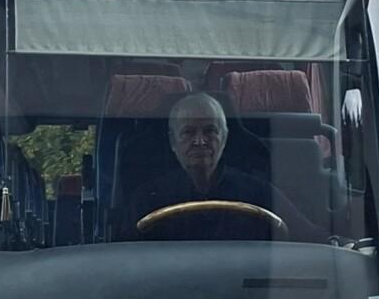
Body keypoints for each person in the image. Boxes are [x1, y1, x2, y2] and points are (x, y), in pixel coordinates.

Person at [116, 92, 288, 238]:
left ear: (224, 139)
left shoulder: (259, 193)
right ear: (173, 142)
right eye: (188, 132)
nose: (200, 141)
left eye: (210, 131)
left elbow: (300, 236)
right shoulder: (146, 200)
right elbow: (124, 258)